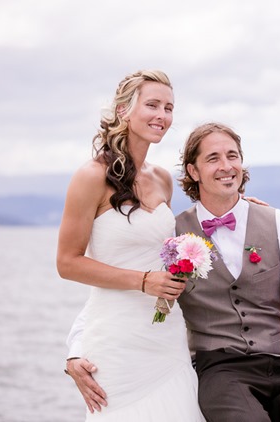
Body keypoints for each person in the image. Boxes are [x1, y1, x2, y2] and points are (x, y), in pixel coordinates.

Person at [66, 122, 280, 421]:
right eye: (213, 158)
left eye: (233, 156)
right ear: (193, 171)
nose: (226, 166)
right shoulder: (172, 237)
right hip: (218, 371)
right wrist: (75, 349)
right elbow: (119, 298)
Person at [57, 70, 205, 421]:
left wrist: (245, 206)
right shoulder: (91, 177)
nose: (162, 115)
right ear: (124, 110)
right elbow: (68, 263)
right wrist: (143, 281)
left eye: (169, 107)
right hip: (117, 341)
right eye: (152, 104)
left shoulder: (162, 179)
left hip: (167, 339)